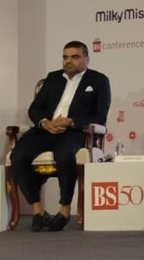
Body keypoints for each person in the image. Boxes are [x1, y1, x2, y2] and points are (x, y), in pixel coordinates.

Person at [11, 41, 111, 231]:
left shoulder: (98, 80)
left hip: (74, 131)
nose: (68, 61)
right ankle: (38, 210)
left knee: (64, 154)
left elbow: (100, 116)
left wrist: (71, 121)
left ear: (87, 59)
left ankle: (64, 209)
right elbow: (34, 109)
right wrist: (44, 123)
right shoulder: (53, 78)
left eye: (75, 57)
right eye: (65, 57)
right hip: (45, 130)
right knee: (18, 155)